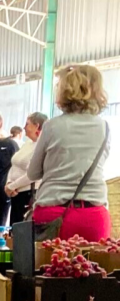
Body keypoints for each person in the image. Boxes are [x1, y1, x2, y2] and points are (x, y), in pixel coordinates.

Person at [29, 65, 113, 242]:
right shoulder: (104, 127)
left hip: (53, 214)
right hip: (94, 214)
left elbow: (33, 173)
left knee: (48, 268)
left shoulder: (52, 126)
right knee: (92, 268)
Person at [5, 112, 48, 225]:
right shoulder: (27, 143)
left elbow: (34, 173)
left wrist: (12, 186)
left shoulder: (42, 146)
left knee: (22, 230)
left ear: (37, 126)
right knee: (13, 228)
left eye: (27, 124)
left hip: (29, 194)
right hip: (16, 193)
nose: (24, 127)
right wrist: (9, 182)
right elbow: (14, 164)